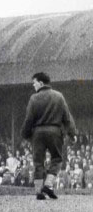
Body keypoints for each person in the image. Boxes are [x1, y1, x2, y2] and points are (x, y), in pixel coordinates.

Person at [20, 72, 77, 200]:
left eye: (34, 83)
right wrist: (72, 133)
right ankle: (48, 184)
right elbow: (67, 117)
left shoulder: (33, 98)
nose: (33, 85)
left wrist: (25, 133)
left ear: (41, 83)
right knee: (57, 159)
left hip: (37, 133)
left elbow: (29, 119)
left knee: (38, 161)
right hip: (55, 132)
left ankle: (38, 191)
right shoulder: (59, 96)